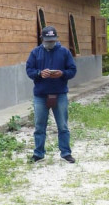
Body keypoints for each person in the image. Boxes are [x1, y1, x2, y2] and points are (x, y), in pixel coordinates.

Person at [25, 25, 77, 163]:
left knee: (63, 126)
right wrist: (39, 73)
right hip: (40, 95)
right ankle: (38, 154)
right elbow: (29, 70)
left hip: (60, 94)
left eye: (53, 40)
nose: (50, 43)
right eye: (48, 40)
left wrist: (62, 74)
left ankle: (66, 153)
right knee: (39, 126)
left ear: (56, 39)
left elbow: (72, 70)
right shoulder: (35, 53)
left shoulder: (65, 52)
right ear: (42, 39)